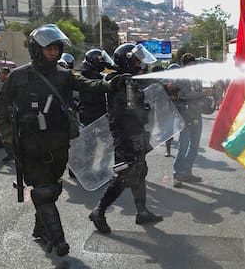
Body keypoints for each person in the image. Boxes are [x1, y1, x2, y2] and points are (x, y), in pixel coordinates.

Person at [0, 24, 111, 257]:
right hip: (30, 145)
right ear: (37, 49)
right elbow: (0, 107)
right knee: (43, 192)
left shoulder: (64, 74)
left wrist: (112, 83)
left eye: (56, 48)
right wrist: (8, 137)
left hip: (58, 144)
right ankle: (58, 241)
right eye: (49, 48)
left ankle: (41, 227)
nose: (54, 52)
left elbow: (89, 84)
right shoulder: (18, 76)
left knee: (54, 188)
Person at [88, 43, 163, 233]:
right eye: (137, 60)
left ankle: (142, 211)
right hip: (126, 136)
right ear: (128, 60)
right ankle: (99, 211)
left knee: (140, 172)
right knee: (124, 176)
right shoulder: (120, 81)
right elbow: (126, 110)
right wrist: (142, 111)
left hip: (135, 132)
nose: (140, 64)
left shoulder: (128, 80)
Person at [171, 53, 215, 188]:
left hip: (196, 114)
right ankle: (177, 174)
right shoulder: (181, 77)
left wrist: (210, 91)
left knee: (194, 146)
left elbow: (198, 91)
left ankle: (187, 172)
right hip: (185, 115)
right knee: (183, 146)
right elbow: (186, 95)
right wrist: (204, 93)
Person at [76, 48, 115, 126]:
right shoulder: (88, 76)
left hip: (93, 116)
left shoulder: (90, 74)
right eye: (102, 60)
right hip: (92, 118)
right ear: (95, 61)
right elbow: (94, 98)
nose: (104, 63)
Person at [0, 67, 15, 162]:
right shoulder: (2, 83)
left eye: (1, 73)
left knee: (7, 135)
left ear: (6, 74)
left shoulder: (9, 85)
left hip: (7, 115)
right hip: (3, 114)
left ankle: (11, 154)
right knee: (6, 135)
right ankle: (11, 153)